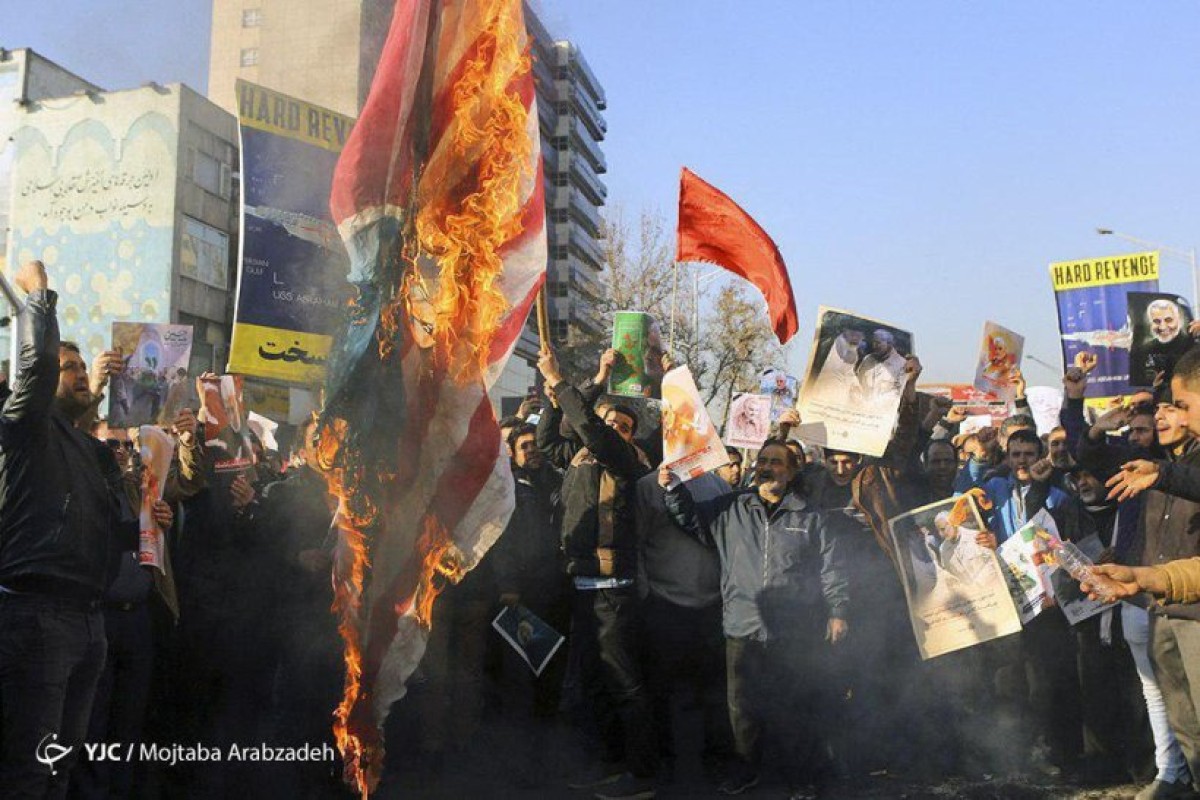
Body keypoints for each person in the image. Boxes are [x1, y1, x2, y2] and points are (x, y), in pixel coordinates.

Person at [0, 261, 139, 798]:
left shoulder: (90, 450)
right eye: (69, 367)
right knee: (30, 769)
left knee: (60, 766)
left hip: (88, 622)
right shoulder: (27, 427)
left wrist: (142, 531)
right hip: (36, 618)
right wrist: (40, 298)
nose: (81, 374)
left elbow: (97, 530)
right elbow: (32, 376)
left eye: (83, 366)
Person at [662, 440, 848, 798]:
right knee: (742, 708)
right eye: (762, 460)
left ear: (792, 471)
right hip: (742, 624)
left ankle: (798, 776)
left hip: (793, 630)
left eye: (776, 462)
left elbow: (832, 569)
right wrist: (671, 486)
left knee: (794, 705)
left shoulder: (809, 516)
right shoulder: (731, 508)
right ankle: (745, 770)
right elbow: (688, 517)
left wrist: (838, 611)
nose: (765, 467)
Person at [535, 346, 657, 800]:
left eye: (623, 427)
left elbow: (589, 426)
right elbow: (550, 438)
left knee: (625, 684)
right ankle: (609, 762)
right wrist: (564, 393)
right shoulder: (582, 455)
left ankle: (642, 774)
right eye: (609, 421)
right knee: (591, 683)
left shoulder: (623, 460)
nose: (612, 428)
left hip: (612, 590)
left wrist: (562, 381)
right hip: (583, 587)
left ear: (632, 438)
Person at [634, 464, 733, 786]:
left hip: (711, 605)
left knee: (713, 690)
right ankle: (667, 760)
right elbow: (635, 542)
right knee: (664, 690)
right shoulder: (648, 486)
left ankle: (714, 759)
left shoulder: (718, 485)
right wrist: (644, 592)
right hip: (665, 602)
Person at [855, 329, 907, 410]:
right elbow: (857, 383)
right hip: (861, 411)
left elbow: (899, 395)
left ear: (889, 344)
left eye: (878, 343)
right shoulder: (867, 359)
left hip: (883, 415)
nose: (874, 346)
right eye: (873, 342)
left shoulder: (902, 364)